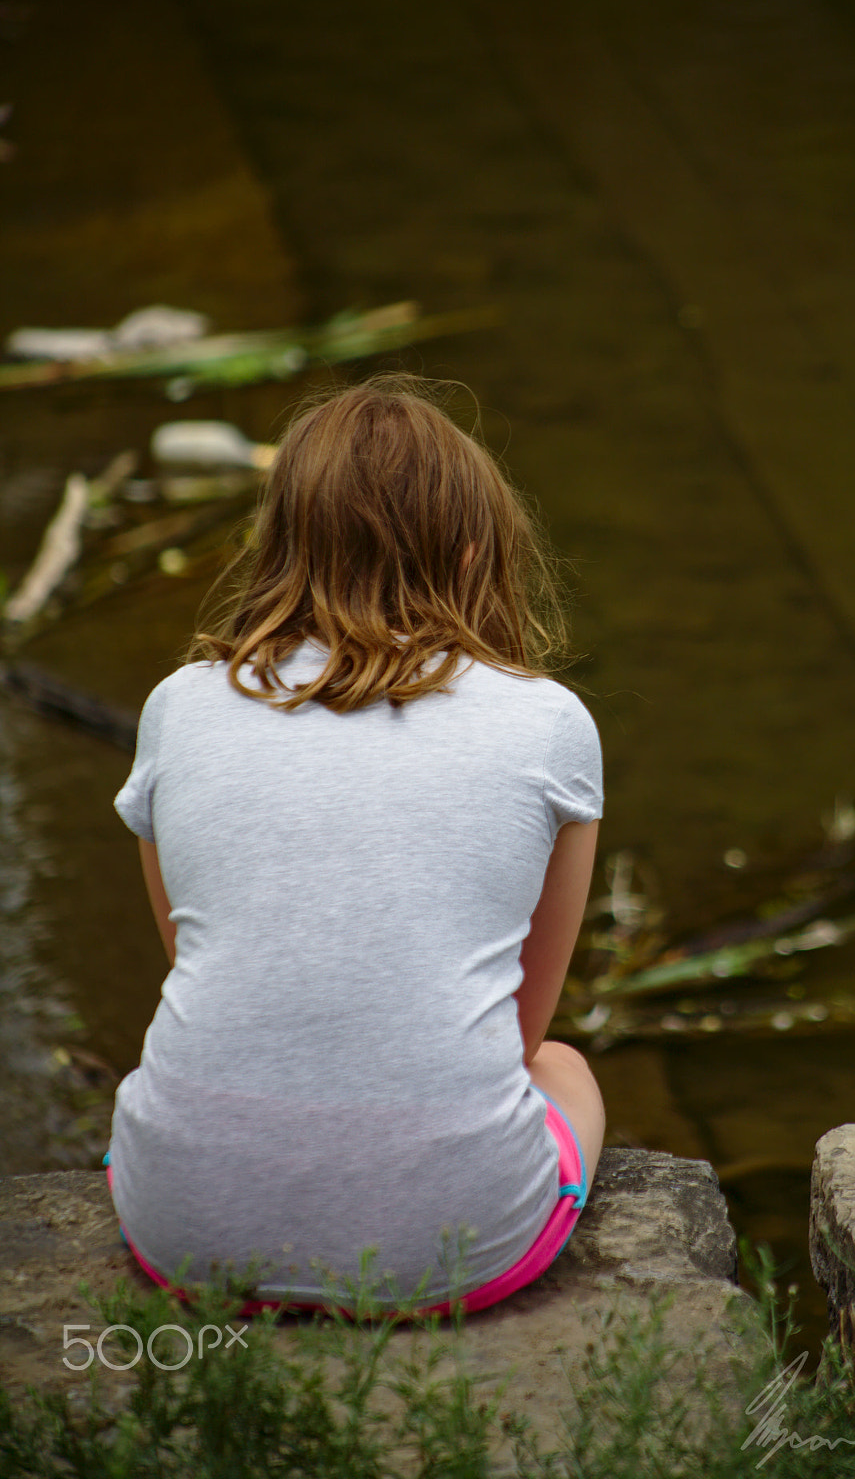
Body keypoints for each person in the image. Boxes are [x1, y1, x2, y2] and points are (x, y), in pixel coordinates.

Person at [106, 375, 605, 1315]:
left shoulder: (178, 706)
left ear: (281, 547)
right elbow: (520, 1032)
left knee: (172, 1066)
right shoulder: (549, 723)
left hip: (186, 1225)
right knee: (564, 1067)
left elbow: (201, 958)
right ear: (473, 549)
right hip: (455, 1245)